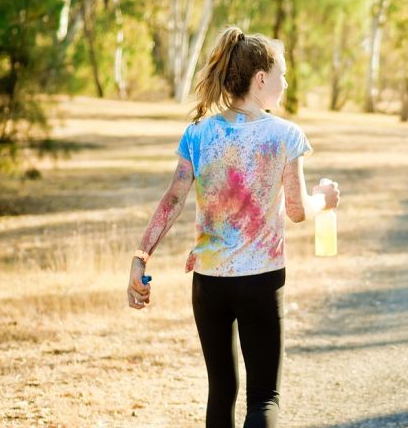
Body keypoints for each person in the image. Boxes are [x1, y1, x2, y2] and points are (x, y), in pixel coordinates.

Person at [126, 26, 340, 428]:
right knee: (264, 398)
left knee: (220, 390)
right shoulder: (285, 135)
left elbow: (172, 199)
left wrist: (141, 257)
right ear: (261, 79)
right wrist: (325, 200)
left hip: (209, 284)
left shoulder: (199, 133)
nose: (286, 82)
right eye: (282, 75)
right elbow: (296, 210)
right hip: (262, 281)